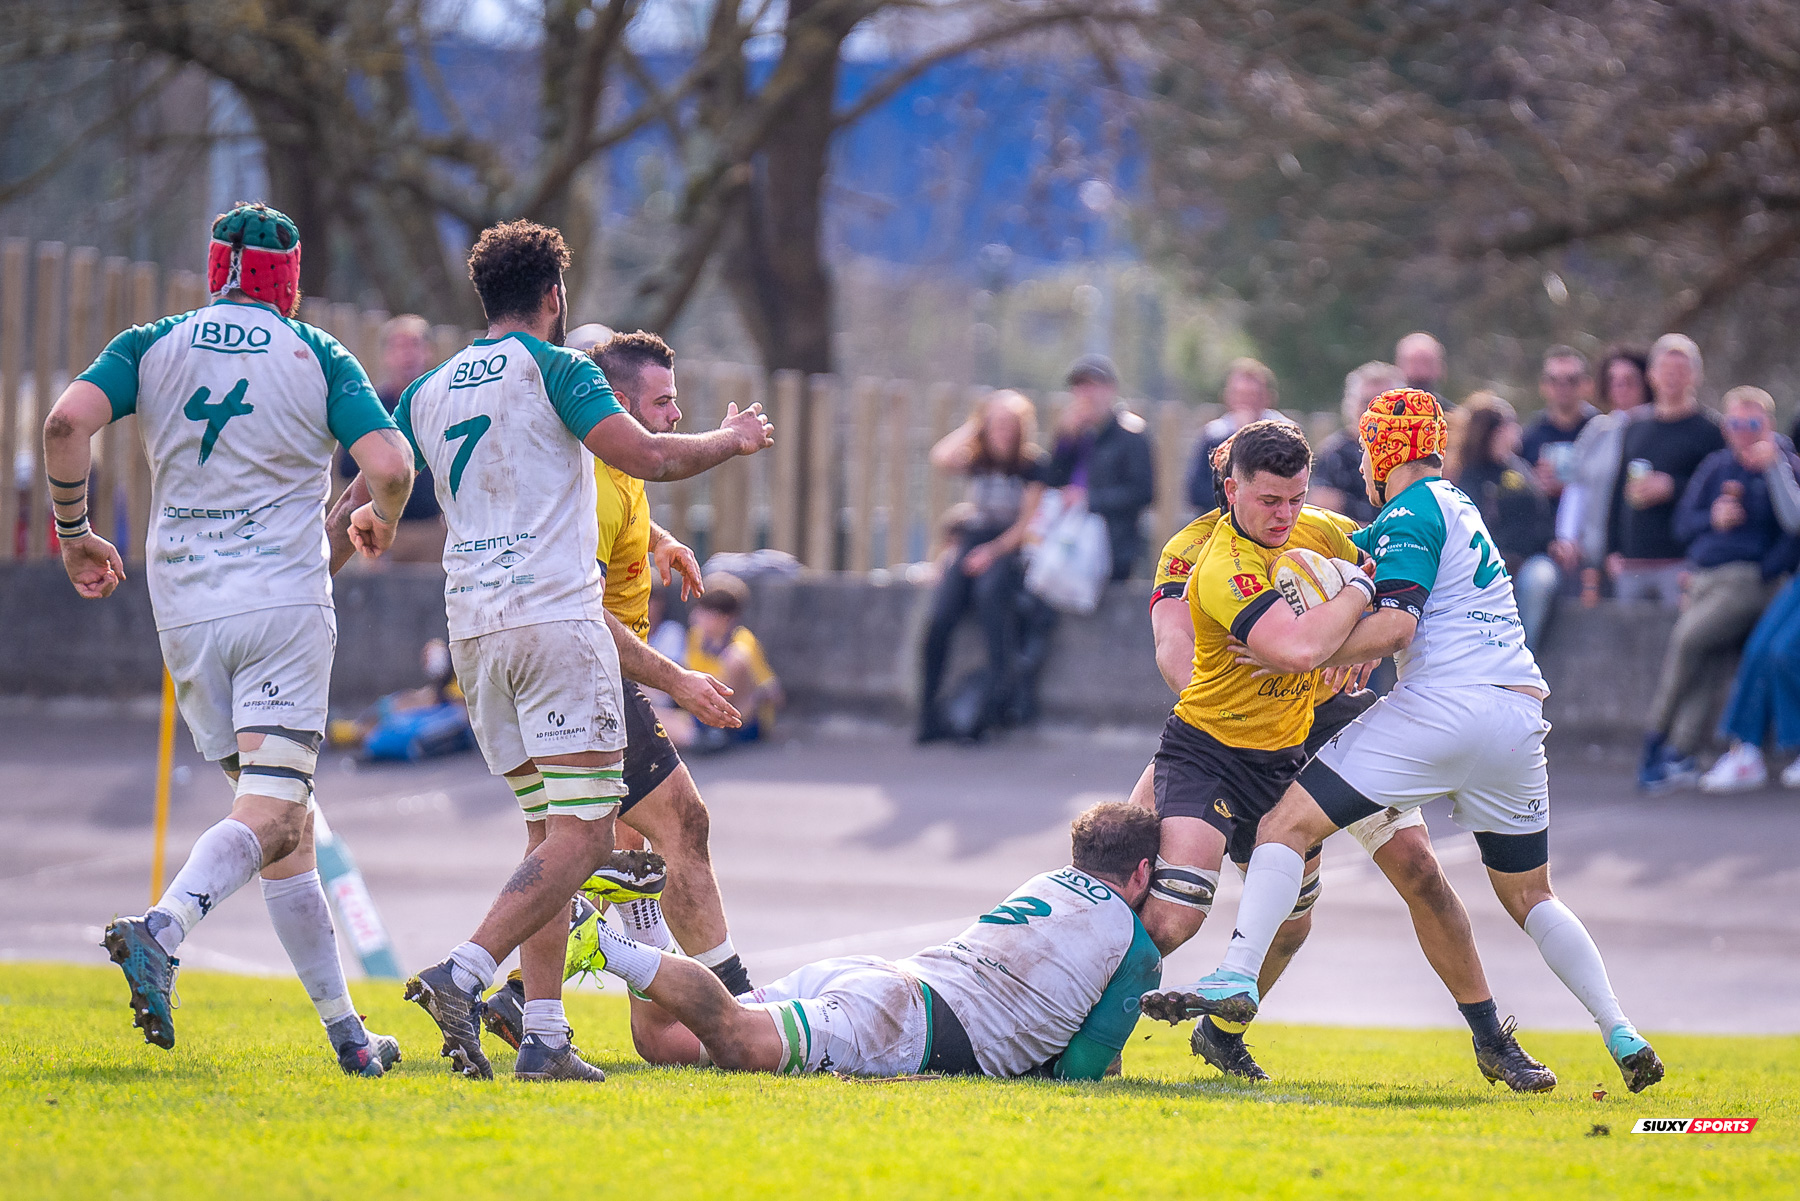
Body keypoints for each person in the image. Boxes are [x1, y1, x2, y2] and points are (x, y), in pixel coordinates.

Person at [1146, 388, 1666, 1097]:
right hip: (1246, 737)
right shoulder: (1194, 551)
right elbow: (1176, 649)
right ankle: (1180, 1010)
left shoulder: (1330, 527)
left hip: (1351, 717)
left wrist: (1326, 645)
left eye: (1296, 496)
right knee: (1238, 893)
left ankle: (1491, 1039)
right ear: (1231, 486)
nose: (1287, 511)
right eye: (1271, 498)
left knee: (1417, 868)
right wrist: (1253, 684)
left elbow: (1383, 587)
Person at [366, 219, 773, 1083]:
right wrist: (731, 441)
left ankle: (544, 1029)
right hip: (556, 627)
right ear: (554, 295)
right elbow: (648, 454)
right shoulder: (561, 371)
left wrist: (356, 531)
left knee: (550, 837)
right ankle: (465, 972)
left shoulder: (428, 387)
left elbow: (381, 481)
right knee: (587, 840)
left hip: (474, 632)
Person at [43, 202, 415, 1075]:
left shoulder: (151, 343)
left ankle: (350, 1038)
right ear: (290, 280)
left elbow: (64, 424)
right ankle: (162, 929)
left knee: (283, 824)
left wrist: (73, 533)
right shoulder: (317, 353)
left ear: (216, 269)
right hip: (282, 606)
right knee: (274, 812)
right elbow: (392, 465)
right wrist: (382, 516)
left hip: (184, 608)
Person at [478, 331, 759, 1053]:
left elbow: (626, 501)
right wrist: (679, 680)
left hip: (583, 669)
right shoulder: (601, 478)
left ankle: (528, 998)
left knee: (607, 855)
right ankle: (741, 1001)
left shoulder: (606, 464)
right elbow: (583, 605)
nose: (675, 414)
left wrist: (660, 541)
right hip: (594, 670)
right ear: (622, 404)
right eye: (662, 403)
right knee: (681, 824)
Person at [576, 801, 1164, 1080]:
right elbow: (1079, 1071)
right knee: (735, 1041)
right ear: (1142, 871)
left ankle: (637, 910)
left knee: (667, 1042)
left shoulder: (1047, 880)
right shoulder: (1136, 947)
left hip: (885, 983)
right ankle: (601, 942)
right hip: (901, 1025)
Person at [1642, 386, 1800, 792]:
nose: (1744, 431)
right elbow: (1683, 525)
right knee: (1708, 657)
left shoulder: (1783, 464)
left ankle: (1655, 737)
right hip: (1705, 579)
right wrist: (1712, 518)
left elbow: (1793, 531)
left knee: (1689, 640)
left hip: (1749, 580)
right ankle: (1681, 752)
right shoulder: (1717, 466)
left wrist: (1764, 571)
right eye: (1735, 423)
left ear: (1769, 425)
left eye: (1753, 423)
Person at [918, 389, 1048, 742]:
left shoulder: (1033, 466)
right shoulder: (978, 458)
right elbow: (940, 456)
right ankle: (928, 714)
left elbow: (1026, 525)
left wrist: (991, 553)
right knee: (941, 616)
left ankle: (989, 712)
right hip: (972, 541)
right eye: (995, 424)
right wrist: (976, 425)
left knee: (991, 601)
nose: (1002, 431)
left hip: (1006, 548)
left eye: (1009, 424)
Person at [1607, 334, 1725, 606]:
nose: (1672, 377)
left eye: (1681, 370)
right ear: (1651, 375)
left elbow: (1719, 493)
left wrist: (1674, 488)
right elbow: (1617, 491)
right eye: (1665, 370)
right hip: (1632, 563)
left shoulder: (1711, 431)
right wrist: (1611, 549)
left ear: (1695, 376)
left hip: (1682, 563)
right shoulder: (1635, 426)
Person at [1446, 394, 1559, 650]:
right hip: (1487, 564)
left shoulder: (1519, 468)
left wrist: (1553, 542)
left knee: (1539, 581)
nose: (1516, 431)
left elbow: (1539, 516)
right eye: (1510, 424)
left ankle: (1521, 651)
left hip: (1531, 560)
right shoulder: (1467, 476)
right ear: (1493, 431)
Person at [335, 314, 445, 563]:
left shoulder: (442, 406)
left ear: (429, 352)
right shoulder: (371, 408)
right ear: (386, 355)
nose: (408, 355)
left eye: (415, 345)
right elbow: (347, 468)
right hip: (381, 532)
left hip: (433, 532)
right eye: (400, 346)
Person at [1551, 347, 1650, 604]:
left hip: (1635, 557)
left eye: (1629, 381)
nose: (1621, 388)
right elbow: (1577, 485)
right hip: (1590, 555)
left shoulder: (1655, 428)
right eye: (1614, 381)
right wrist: (1567, 537)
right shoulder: (1599, 429)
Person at [1046, 354, 1155, 580]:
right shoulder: (1075, 434)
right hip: (1067, 537)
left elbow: (1143, 492)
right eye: (1079, 386)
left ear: (1110, 389)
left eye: (1092, 386)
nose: (1085, 394)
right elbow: (1052, 481)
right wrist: (1065, 442)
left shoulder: (1131, 434)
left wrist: (1089, 500)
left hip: (1111, 544)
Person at [686, 573, 784, 747]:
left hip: (743, 719)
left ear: (725, 618)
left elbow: (773, 693)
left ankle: (717, 733)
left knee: (735, 660)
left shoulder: (742, 641)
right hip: (703, 711)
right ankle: (705, 738)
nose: (696, 616)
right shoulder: (696, 637)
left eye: (705, 612)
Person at [1185, 356, 1290, 510]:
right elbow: (1197, 491)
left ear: (1267, 398)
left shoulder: (1285, 436)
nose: (1246, 403)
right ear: (1227, 397)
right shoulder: (1214, 435)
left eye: (1252, 396)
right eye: (1240, 395)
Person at [1311, 361, 1404, 523]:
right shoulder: (1333, 455)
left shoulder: (1414, 453)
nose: (1375, 412)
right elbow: (1321, 512)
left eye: (1385, 404)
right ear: (1351, 405)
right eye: (1367, 402)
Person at [1519, 346, 1597, 508]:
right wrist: (1532, 483)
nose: (1563, 387)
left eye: (1572, 380)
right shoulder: (1530, 434)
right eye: (1554, 380)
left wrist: (1569, 487)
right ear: (1543, 386)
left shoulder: (1601, 430)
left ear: (1587, 384)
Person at [1395, 331, 1447, 399]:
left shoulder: (1446, 406)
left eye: (1426, 362)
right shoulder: (1386, 404)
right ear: (1400, 365)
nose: (1421, 371)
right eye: (1414, 363)